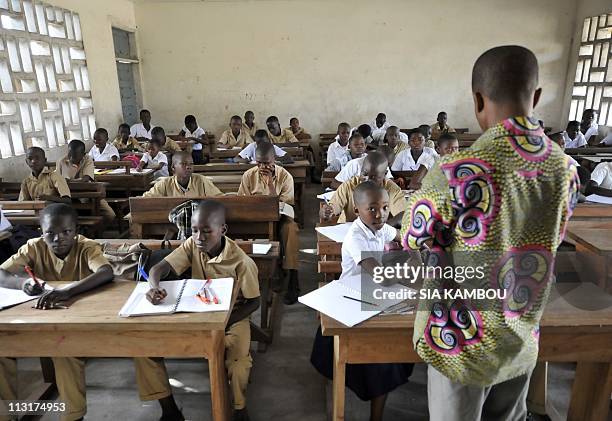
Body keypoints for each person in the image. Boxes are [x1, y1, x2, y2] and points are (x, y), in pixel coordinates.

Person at [400, 45, 577, 421]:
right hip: (521, 336)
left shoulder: (457, 171)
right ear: (538, 97)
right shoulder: (564, 170)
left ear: (478, 99)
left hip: (461, 343)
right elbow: (553, 241)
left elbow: (415, 238)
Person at [142, 200, 260, 421]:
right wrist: (154, 286)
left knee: (238, 363)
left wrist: (224, 321)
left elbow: (254, 302)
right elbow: (159, 268)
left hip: (233, 318)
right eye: (195, 230)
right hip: (198, 313)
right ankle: (168, 408)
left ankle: (239, 406)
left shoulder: (242, 263)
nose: (199, 238)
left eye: (207, 232)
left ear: (222, 230)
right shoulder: (191, 245)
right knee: (145, 350)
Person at [0, 203, 114, 421]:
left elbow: (105, 271)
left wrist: (68, 291)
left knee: (63, 350)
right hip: (39, 318)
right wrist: (22, 283)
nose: (57, 239)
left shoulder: (86, 246)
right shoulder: (33, 247)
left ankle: (73, 415)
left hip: (75, 322)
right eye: (49, 233)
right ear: (41, 233)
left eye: (66, 232)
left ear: (76, 232)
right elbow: (1, 273)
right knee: (3, 347)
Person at [312, 181, 414, 421]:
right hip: (351, 302)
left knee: (387, 359)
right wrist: (407, 266)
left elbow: (401, 236)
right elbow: (380, 276)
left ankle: (375, 413)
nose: (381, 214)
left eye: (386, 208)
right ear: (357, 211)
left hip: (376, 300)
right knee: (373, 361)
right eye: (373, 209)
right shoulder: (356, 236)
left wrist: (411, 244)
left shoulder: (381, 228)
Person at [238, 142, 300, 305]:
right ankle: (253, 280)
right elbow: (242, 200)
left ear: (275, 159)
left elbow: (285, 204)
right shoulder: (249, 175)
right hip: (256, 219)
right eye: (259, 162)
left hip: (280, 218)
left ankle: (291, 276)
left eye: (267, 162)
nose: (263, 166)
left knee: (291, 231)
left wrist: (270, 184)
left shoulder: (285, 176)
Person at [321, 152, 406, 227]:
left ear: (385, 174)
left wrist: (383, 228)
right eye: (364, 174)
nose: (367, 179)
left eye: (374, 177)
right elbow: (333, 207)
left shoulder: (392, 189)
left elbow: (403, 215)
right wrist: (327, 212)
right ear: (361, 170)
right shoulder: (349, 186)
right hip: (349, 234)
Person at [57, 139, 116, 223]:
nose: (71, 158)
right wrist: (69, 182)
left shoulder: (88, 160)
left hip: (89, 194)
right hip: (68, 197)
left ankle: (95, 231)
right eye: (69, 154)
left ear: (83, 154)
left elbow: (85, 179)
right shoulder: (61, 161)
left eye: (74, 156)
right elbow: (58, 182)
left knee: (110, 215)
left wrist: (69, 181)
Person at [143, 151, 222, 198]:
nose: (188, 167)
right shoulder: (164, 184)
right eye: (183, 164)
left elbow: (219, 198)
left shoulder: (201, 181)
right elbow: (144, 200)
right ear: (173, 167)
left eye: (191, 164)